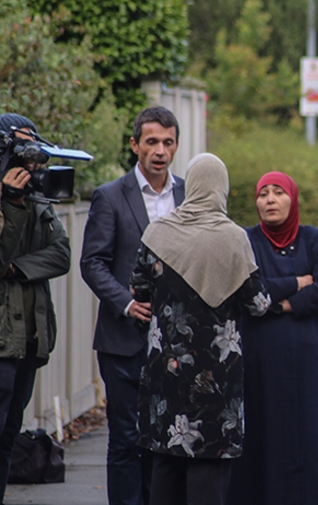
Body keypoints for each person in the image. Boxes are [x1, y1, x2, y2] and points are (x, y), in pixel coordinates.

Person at [131, 153, 271, 505]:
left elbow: (139, 289)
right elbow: (258, 304)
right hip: (217, 378)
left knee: (165, 463)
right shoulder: (234, 238)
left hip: (166, 369)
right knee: (209, 468)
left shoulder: (157, 232)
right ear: (221, 188)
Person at [227, 171, 318, 505]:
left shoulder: (316, 240)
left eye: (277, 193)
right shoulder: (245, 241)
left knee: (317, 439)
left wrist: (276, 305)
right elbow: (247, 292)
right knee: (266, 440)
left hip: (314, 366)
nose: (270, 200)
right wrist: (297, 283)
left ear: (293, 198)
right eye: (263, 194)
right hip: (260, 365)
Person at [80, 106, 185, 505]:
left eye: (168, 142)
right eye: (152, 141)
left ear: (176, 146)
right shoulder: (110, 196)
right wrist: (125, 302)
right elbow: (92, 263)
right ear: (135, 145)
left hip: (177, 344)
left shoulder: (186, 195)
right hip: (122, 340)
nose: (160, 150)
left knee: (168, 440)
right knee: (126, 439)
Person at [0, 113, 70, 501]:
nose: (29, 165)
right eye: (20, 154)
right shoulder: (9, 199)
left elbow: (61, 254)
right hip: (0, 341)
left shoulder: (38, 202)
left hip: (29, 335)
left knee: (9, 434)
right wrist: (9, 202)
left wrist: (17, 268)